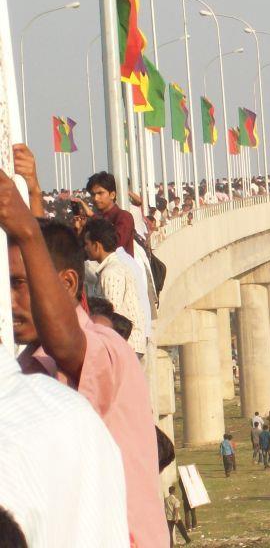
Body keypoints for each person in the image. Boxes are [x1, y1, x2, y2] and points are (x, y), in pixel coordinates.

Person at [8, 183, 167, 548]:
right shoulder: (26, 367)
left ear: (67, 284)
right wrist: (34, 191)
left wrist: (29, 232)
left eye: (18, 284)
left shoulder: (107, 349)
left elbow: (67, 345)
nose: (9, 300)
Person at [83, 218, 147, 356]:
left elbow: (111, 313)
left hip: (126, 345)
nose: (85, 248)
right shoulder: (114, 267)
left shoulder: (111, 272)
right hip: (127, 344)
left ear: (96, 245)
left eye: (86, 244)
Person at [73, 171, 136, 256]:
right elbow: (83, 251)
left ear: (112, 195)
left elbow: (113, 246)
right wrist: (79, 229)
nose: (95, 198)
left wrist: (93, 217)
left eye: (100, 193)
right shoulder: (92, 220)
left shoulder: (124, 217)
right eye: (93, 194)